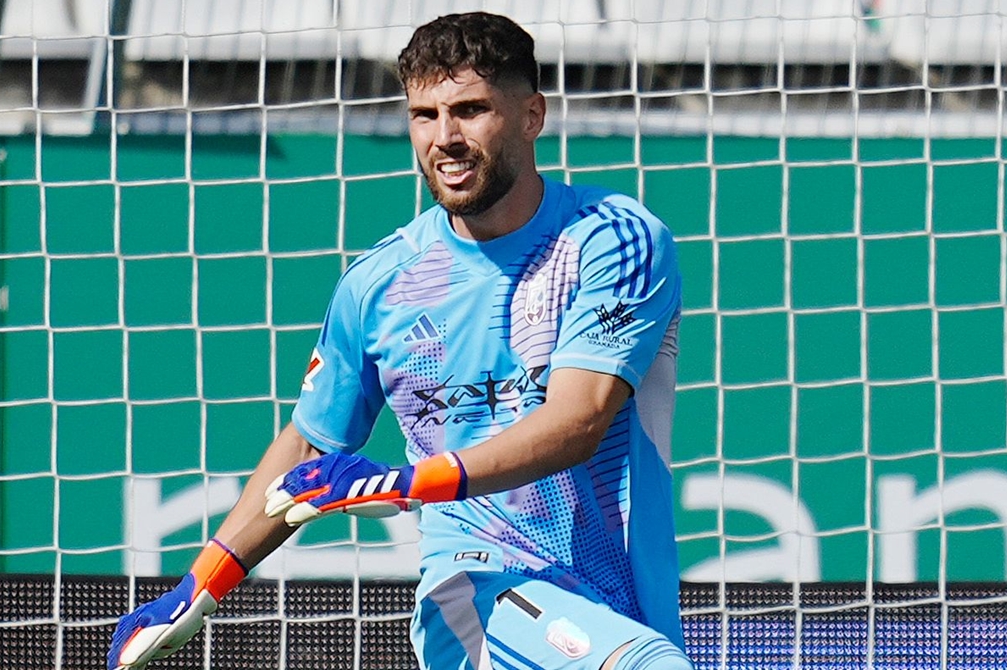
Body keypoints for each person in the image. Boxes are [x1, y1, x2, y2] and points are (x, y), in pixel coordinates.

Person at [108, 11, 688, 670]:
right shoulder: (379, 284)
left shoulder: (612, 240)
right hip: (478, 597)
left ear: (532, 115)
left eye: (470, 110)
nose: (445, 138)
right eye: (424, 114)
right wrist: (196, 590)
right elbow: (306, 445)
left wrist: (408, 482)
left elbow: (578, 420)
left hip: (620, 605)